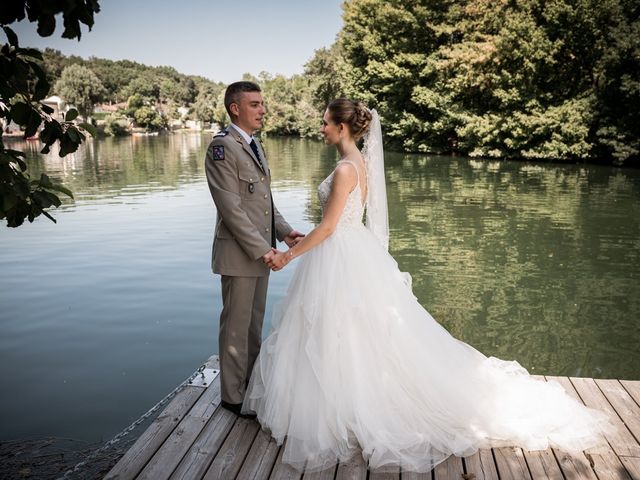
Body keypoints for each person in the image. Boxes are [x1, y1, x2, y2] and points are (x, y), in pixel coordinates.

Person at [242, 98, 615, 472]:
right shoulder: (360, 164)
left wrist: (287, 257)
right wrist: (301, 240)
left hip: (340, 256)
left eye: (325, 123)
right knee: (354, 332)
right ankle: (348, 398)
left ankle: (346, 406)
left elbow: (328, 228)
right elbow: (339, 225)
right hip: (350, 251)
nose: (321, 128)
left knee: (339, 329)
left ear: (342, 128)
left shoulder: (343, 170)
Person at [204, 81, 304, 418]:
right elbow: (231, 208)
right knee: (235, 326)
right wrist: (264, 250)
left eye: (262, 104)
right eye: (255, 104)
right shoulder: (221, 148)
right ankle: (232, 397)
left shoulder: (254, 145)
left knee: (252, 325)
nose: (263, 110)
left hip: (262, 250)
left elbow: (263, 202)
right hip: (239, 254)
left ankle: (250, 386)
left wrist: (286, 232)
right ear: (236, 108)